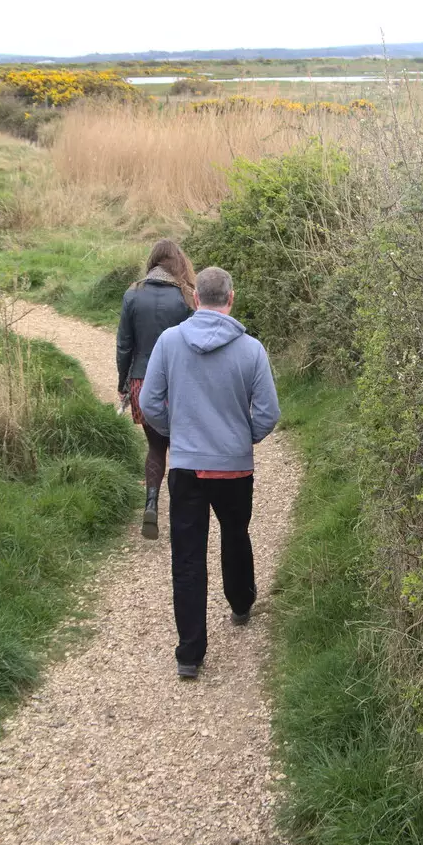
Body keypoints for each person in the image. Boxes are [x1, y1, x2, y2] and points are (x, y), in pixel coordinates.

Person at [139, 266, 280, 679]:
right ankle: (240, 604)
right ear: (230, 299)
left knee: (187, 555)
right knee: (235, 535)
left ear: (196, 299)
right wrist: (243, 438)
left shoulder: (169, 343)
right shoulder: (252, 349)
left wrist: (176, 433)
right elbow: (269, 413)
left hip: (185, 468)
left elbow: (150, 403)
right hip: (234, 469)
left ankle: (189, 654)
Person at [116, 239, 196, 540]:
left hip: (141, 381)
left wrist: (123, 383)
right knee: (181, 448)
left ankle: (151, 503)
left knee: (155, 447)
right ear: (178, 263)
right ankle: (183, 512)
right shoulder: (186, 297)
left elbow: (124, 344)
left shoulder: (132, 294)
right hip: (178, 383)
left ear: (152, 262)